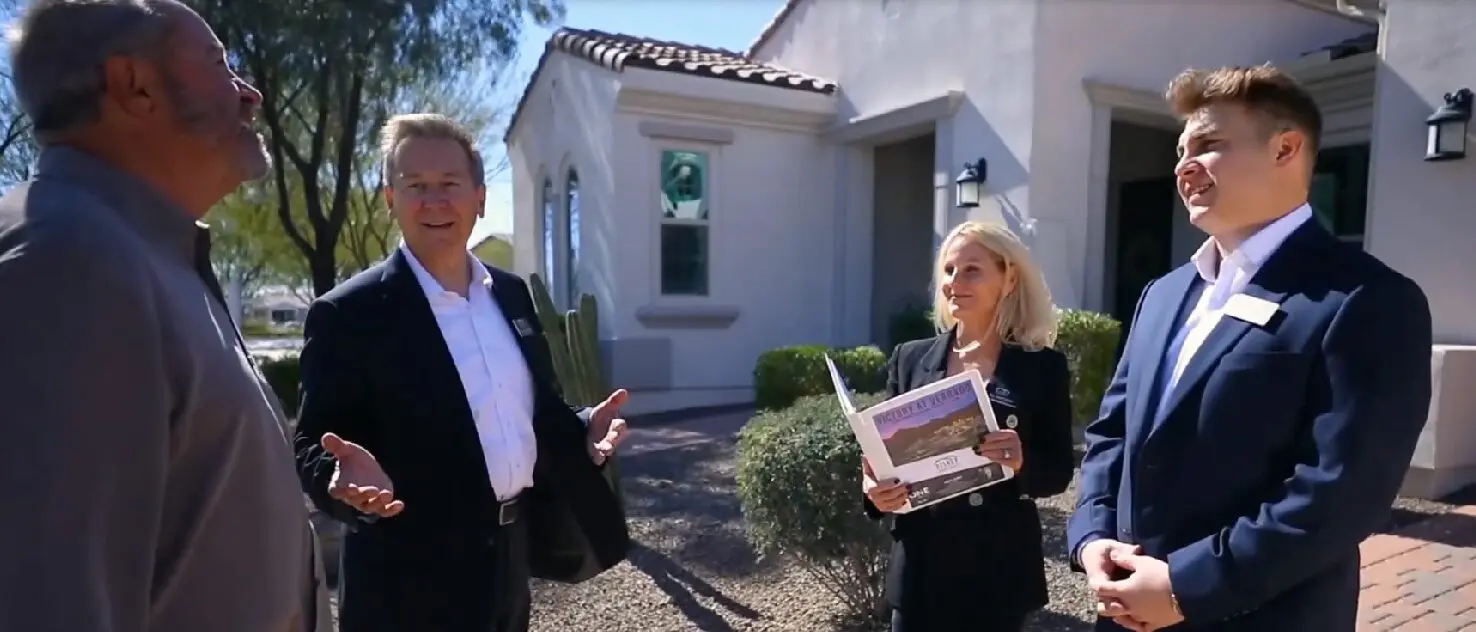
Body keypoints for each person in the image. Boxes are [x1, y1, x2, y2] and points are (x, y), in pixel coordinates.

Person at [0, 1, 332, 630]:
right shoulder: (66, 265)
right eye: (219, 64)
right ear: (136, 86)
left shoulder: (143, 257)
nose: (251, 92)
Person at [1066, 64, 1433, 632]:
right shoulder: (1161, 296)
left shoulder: (1368, 299)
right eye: (1180, 150)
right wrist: (1093, 538)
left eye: (1208, 145)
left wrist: (1185, 587)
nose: (1183, 166)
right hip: (1125, 612)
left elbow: (1342, 492)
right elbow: (1112, 433)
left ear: (1286, 149)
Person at [293, 113, 632, 632]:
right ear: (390, 200)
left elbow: (533, 406)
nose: (434, 201)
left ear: (479, 197)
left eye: (450, 184)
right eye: (415, 186)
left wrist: (581, 426)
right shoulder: (348, 315)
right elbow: (314, 442)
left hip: (508, 561)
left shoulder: (513, 295)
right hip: (407, 584)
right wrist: (336, 480)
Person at [863, 221, 1077, 632]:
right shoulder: (909, 358)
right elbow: (879, 455)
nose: (954, 282)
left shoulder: (1042, 367)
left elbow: (1058, 472)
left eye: (972, 270)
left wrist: (1021, 461)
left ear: (1009, 278)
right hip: (920, 567)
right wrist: (874, 490)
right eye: (949, 270)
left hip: (996, 571)